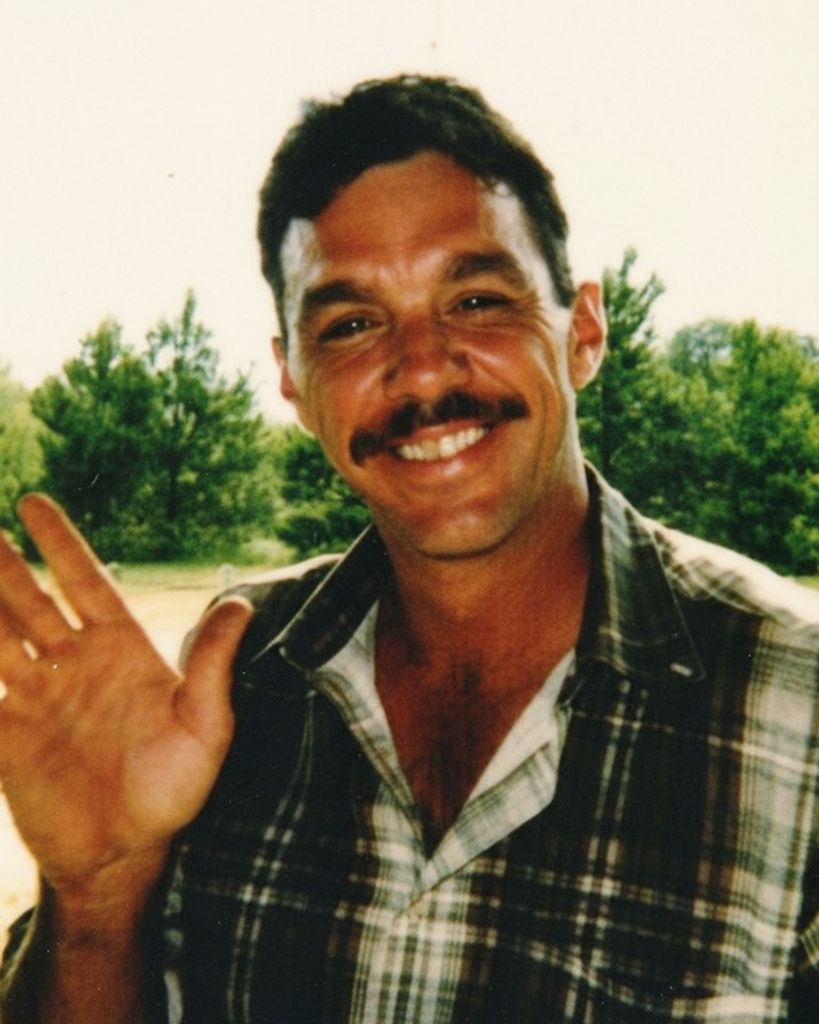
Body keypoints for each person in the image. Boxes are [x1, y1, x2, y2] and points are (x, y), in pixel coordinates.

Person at [0, 74, 817, 1023]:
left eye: (475, 300)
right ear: (293, 382)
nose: (422, 369)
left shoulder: (797, 704)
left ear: (584, 331)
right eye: (351, 325)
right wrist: (100, 896)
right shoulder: (231, 685)